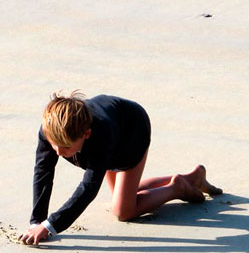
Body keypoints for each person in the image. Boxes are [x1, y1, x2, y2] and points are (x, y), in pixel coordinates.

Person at [19, 92, 222, 245]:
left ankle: (176, 187)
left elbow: (89, 188)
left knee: (123, 210)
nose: (58, 151)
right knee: (121, 194)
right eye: (54, 144)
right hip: (113, 121)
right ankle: (193, 178)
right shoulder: (50, 130)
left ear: (86, 134)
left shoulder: (100, 138)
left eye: (65, 147)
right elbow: (43, 172)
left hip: (131, 133)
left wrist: (50, 226)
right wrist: (37, 220)